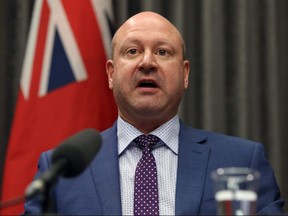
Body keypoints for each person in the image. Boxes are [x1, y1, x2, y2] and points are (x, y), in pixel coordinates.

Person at [24, 11, 285, 215]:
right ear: (111, 74)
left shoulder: (242, 161)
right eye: (133, 51)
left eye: (162, 52)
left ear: (184, 74)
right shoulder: (60, 171)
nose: (147, 62)